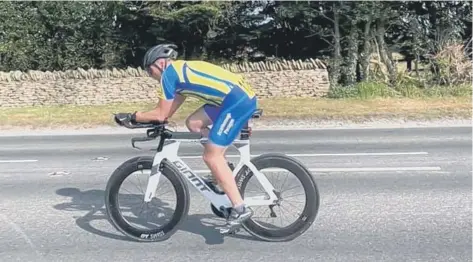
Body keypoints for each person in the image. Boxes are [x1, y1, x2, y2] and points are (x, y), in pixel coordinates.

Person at [114, 43, 257, 232]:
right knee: (194, 123)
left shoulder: (169, 75)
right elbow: (166, 114)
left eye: (150, 71)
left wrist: (132, 116)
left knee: (210, 156)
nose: (151, 76)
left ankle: (239, 208)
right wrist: (146, 120)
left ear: (160, 64)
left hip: (236, 102)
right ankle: (223, 167)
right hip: (233, 98)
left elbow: (159, 114)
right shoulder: (178, 73)